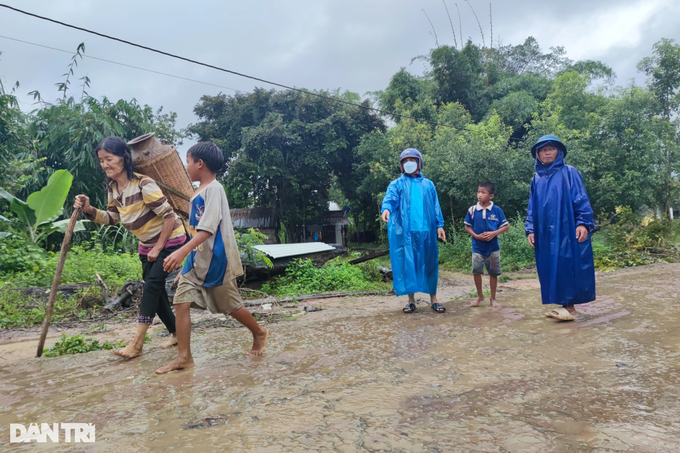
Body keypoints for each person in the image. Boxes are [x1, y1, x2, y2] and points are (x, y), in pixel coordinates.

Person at [156, 142, 268, 374]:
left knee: (231, 306)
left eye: (188, 162)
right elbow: (196, 230)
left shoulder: (214, 189)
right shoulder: (198, 192)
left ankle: (259, 332)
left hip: (217, 259)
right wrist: (187, 259)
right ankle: (184, 357)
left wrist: (181, 250)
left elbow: (208, 230)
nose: (186, 167)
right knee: (180, 302)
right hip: (197, 258)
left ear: (200, 163)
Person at [74, 137, 186, 358]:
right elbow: (112, 218)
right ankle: (176, 333)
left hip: (170, 240)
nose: (105, 164)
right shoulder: (113, 188)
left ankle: (137, 343)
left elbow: (169, 217)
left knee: (152, 285)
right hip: (146, 245)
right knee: (156, 289)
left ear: (124, 158)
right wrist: (89, 209)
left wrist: (158, 247)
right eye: (101, 160)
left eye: (109, 159)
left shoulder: (144, 184)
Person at [525, 135, 596, 321]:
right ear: (537, 155)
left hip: (566, 228)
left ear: (559, 151)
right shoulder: (536, 180)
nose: (546, 152)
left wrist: (583, 223)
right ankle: (563, 305)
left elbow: (581, 199)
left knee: (567, 263)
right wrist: (530, 229)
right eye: (542, 150)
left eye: (551, 148)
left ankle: (570, 308)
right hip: (545, 232)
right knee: (550, 266)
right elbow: (531, 207)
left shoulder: (569, 172)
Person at [380, 148, 447, 314]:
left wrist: (439, 225)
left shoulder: (428, 184)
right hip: (407, 233)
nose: (408, 163)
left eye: (412, 160)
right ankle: (411, 301)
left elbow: (436, 205)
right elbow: (390, 198)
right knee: (408, 265)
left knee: (430, 263)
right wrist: (386, 208)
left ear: (419, 163)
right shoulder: (397, 184)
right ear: (402, 165)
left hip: (427, 231)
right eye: (405, 161)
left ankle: (434, 299)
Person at [464, 181, 509, 308]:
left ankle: (493, 298)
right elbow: (467, 227)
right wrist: (476, 235)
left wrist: (494, 233)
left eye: (483, 192)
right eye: (478, 192)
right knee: (476, 271)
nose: (480, 195)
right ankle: (480, 296)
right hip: (477, 247)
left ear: (491, 196)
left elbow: (506, 226)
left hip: (493, 248)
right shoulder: (472, 210)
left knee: (493, 273)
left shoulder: (496, 210)